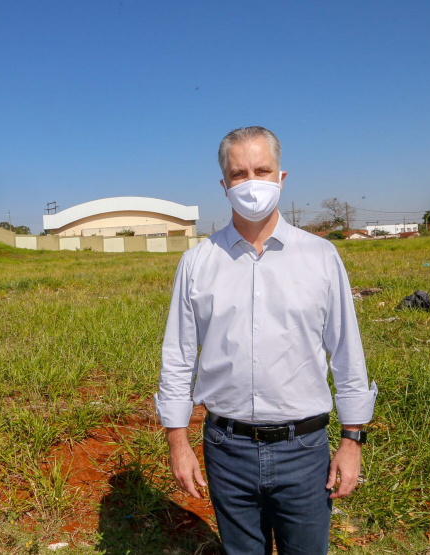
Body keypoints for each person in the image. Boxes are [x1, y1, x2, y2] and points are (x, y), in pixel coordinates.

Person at [155, 126, 377, 554]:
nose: (251, 182)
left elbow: (348, 356)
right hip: (226, 450)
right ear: (224, 185)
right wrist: (177, 443)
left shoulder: (321, 257)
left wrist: (353, 442)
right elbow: (178, 358)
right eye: (239, 173)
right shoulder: (198, 262)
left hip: (304, 450)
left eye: (262, 169)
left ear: (281, 177)